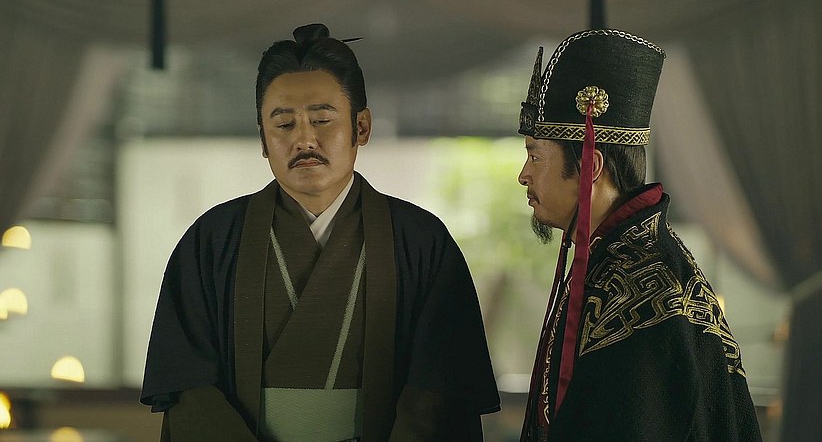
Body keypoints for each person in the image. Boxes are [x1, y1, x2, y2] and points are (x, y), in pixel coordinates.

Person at [140, 23, 500, 441]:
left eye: (322, 119)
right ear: (262, 138)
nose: (304, 140)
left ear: (361, 127)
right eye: (283, 124)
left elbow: (440, 389)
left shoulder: (420, 241)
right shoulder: (213, 240)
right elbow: (188, 386)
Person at [516, 29, 762, 441]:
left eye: (535, 156)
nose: (523, 176)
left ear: (590, 167)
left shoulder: (645, 281)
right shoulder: (622, 258)